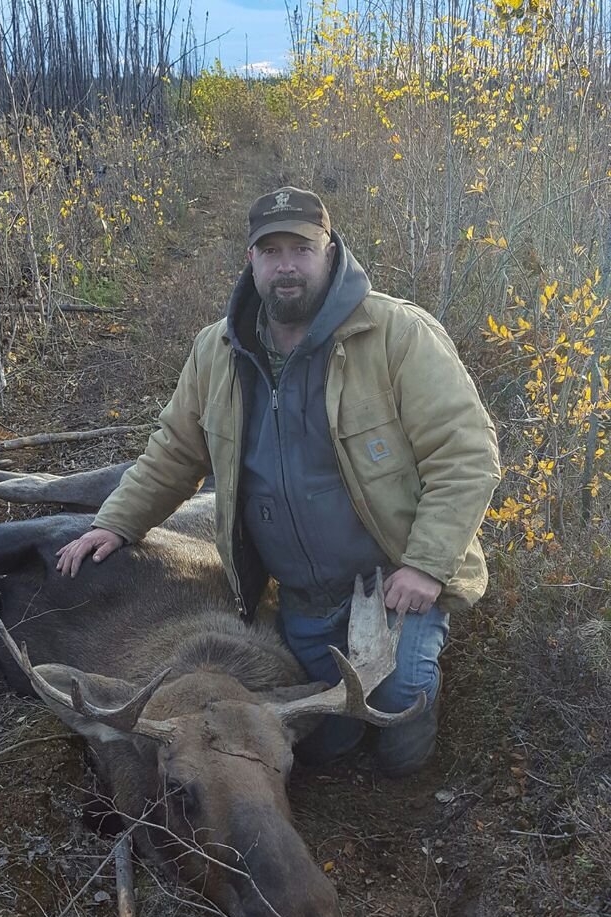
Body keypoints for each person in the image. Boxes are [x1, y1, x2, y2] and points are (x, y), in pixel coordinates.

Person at [57, 186, 501, 775]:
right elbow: (173, 450)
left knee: (396, 716)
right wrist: (116, 521)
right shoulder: (217, 350)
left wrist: (425, 564)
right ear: (251, 260)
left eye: (301, 248)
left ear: (330, 249)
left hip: (392, 579)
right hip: (303, 596)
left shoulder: (398, 334)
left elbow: (467, 455)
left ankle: (411, 780)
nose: (286, 266)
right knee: (322, 741)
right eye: (271, 252)